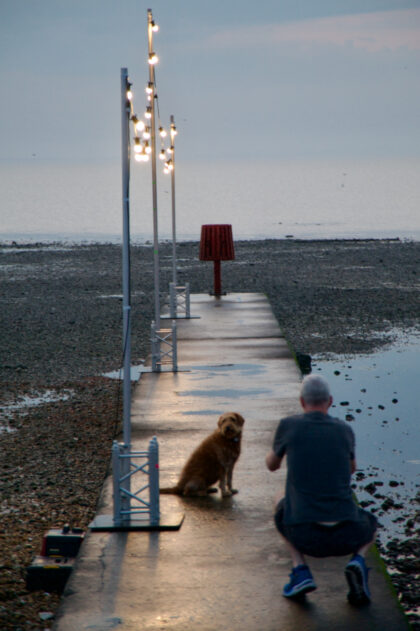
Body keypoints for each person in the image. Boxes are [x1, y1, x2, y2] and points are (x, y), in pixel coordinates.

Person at [266, 374, 377, 605]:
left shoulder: (289, 426)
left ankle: (300, 570)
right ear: (330, 401)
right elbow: (350, 469)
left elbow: (271, 465)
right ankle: (357, 561)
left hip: (305, 535)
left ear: (301, 402)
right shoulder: (345, 430)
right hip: (348, 534)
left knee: (280, 499)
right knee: (373, 523)